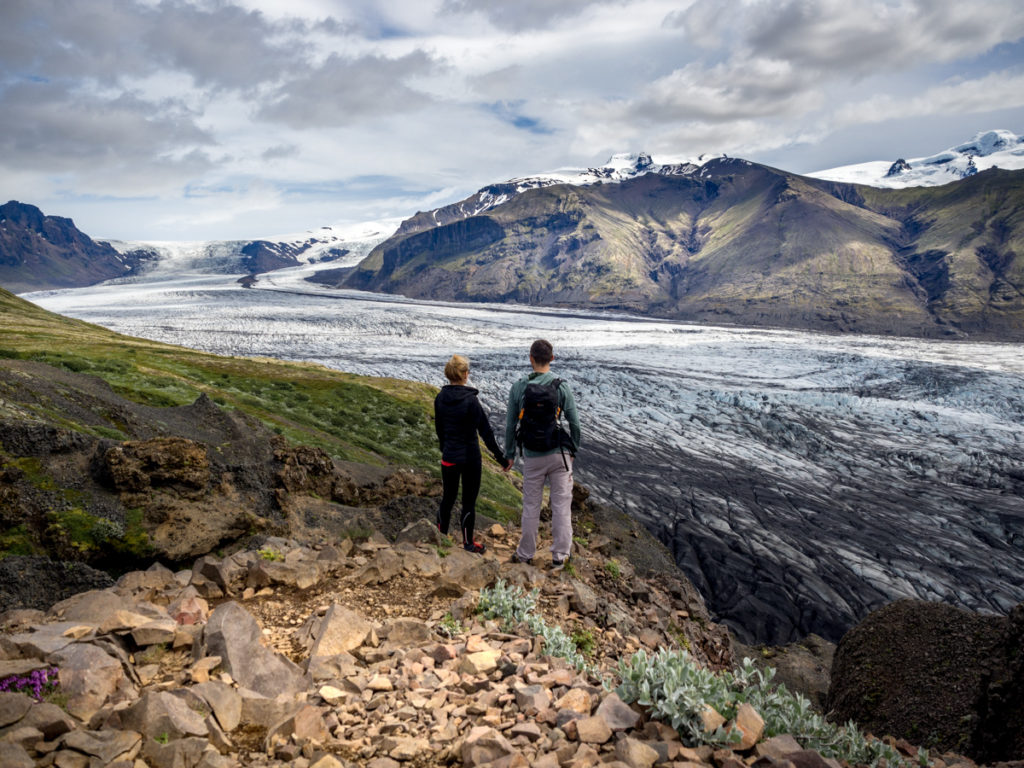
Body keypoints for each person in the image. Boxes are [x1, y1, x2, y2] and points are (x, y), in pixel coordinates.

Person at [505, 339, 581, 568]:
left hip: (533, 455)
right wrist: (573, 449)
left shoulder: (518, 387)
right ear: (552, 359)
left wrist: (509, 454)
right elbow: (574, 423)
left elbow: (510, 426)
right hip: (559, 454)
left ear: (531, 358)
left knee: (531, 505)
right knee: (560, 505)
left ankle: (525, 554)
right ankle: (560, 556)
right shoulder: (561, 386)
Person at [434, 354, 511, 553]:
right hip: (470, 459)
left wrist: (446, 449)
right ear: (465, 374)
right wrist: (502, 459)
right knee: (468, 502)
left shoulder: (440, 398)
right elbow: (486, 433)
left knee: (448, 498)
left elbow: (440, 429)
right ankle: (468, 543)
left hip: (450, 457)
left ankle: (440, 538)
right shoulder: (471, 401)